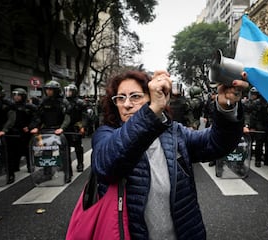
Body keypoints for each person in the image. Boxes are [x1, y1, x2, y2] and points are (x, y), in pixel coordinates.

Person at [90, 70, 248, 239]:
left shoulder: (173, 132)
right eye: (120, 98)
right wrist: (150, 114)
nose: (127, 104)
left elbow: (216, 144)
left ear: (150, 97)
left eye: (135, 96)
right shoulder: (106, 134)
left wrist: (226, 106)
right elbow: (106, 165)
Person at [30, 80, 72, 183]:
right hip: (46, 130)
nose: (48, 91)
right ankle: (47, 174)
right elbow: (38, 116)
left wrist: (62, 128)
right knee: (46, 153)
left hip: (59, 130)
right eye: (47, 89)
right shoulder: (44, 102)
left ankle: (67, 173)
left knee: (64, 154)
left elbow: (67, 117)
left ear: (56, 91)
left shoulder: (64, 102)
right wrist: (36, 127)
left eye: (51, 89)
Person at [7, 88, 37, 174]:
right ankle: (15, 166)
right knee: (14, 150)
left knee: (28, 150)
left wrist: (30, 127)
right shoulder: (11, 106)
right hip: (14, 131)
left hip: (26, 132)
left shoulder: (30, 107)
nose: (16, 97)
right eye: (15, 95)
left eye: (18, 95)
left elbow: (36, 118)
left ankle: (30, 165)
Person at [0, 80, 16, 184]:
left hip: (5, 132)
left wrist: (4, 130)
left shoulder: (7, 103)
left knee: (8, 155)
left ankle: (10, 174)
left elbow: (11, 119)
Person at [64, 83, 87, 172]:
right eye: (67, 91)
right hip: (66, 128)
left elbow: (84, 116)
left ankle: (80, 163)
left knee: (78, 147)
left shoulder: (80, 102)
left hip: (76, 127)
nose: (68, 93)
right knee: (65, 147)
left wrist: (83, 127)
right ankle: (67, 165)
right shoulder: (64, 102)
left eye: (70, 91)